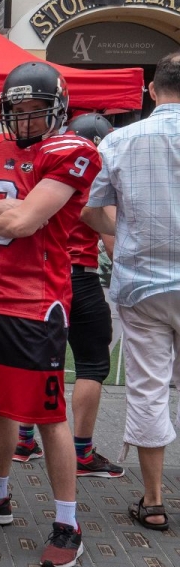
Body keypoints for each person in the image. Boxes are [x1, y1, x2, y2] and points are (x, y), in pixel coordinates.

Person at [0, 61, 101, 567]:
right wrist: (11, 208)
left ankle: (68, 523)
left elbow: (25, 223)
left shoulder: (73, 151)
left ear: (57, 109)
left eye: (36, 109)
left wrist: (6, 210)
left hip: (37, 302)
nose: (26, 118)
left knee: (48, 418)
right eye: (19, 109)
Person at [81, 51, 180, 531]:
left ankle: (154, 501)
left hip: (143, 283)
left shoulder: (119, 140)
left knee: (148, 388)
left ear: (152, 90)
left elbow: (90, 210)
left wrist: (122, 236)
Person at [13, 113, 124, 480]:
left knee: (40, 360)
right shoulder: (94, 176)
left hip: (40, 275)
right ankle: (82, 452)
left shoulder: (42, 166)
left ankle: (24, 440)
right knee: (92, 364)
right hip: (80, 276)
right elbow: (113, 244)